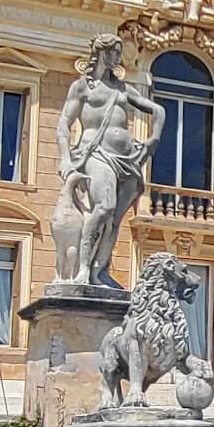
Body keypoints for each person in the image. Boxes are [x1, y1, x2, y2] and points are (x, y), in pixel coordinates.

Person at [53, 33, 165, 287]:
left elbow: (158, 110)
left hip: (127, 160)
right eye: (113, 52)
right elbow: (64, 124)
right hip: (96, 153)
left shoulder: (123, 89)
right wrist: (66, 159)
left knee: (114, 219)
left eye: (118, 52)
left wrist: (153, 140)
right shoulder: (83, 86)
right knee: (103, 207)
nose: (117, 57)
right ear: (101, 53)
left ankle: (99, 271)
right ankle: (82, 270)